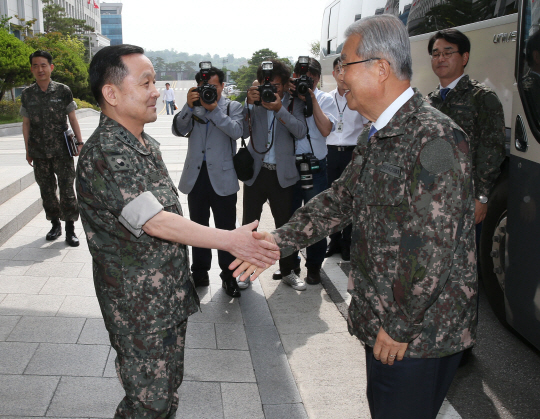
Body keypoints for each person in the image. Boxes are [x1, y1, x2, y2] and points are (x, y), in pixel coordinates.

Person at [232, 15, 477, 419]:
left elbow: (433, 249)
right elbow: (341, 200)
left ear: (380, 68)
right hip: (385, 320)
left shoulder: (435, 137)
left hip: (417, 335)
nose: (337, 76)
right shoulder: (379, 133)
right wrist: (278, 242)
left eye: (344, 64)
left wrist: (399, 325)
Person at [77, 44, 279, 418]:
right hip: (137, 308)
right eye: (147, 82)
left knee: (166, 394)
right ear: (112, 93)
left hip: (165, 297)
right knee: (148, 403)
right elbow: (153, 220)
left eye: (155, 81)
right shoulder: (107, 152)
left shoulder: (141, 143)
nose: (157, 91)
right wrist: (230, 239)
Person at [172, 65, 244, 297]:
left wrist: (213, 110)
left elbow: (237, 131)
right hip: (196, 177)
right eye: (204, 86)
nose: (208, 90)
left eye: (213, 86)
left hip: (223, 177)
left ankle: (229, 275)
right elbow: (178, 129)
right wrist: (188, 105)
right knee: (197, 228)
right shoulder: (193, 107)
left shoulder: (233, 107)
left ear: (223, 86)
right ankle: (200, 272)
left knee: (226, 230)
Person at [426, 29, 506, 228]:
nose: (440, 58)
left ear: (464, 57)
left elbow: (492, 151)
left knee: (466, 257)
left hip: (466, 198)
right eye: (436, 54)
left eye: (448, 52)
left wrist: (482, 197)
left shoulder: (482, 98)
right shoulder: (429, 101)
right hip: (431, 196)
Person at [242, 59, 308, 291]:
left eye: (277, 85)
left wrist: (279, 108)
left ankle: (289, 271)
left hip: (282, 174)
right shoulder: (255, 101)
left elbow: (301, 131)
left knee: (285, 226)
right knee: (249, 227)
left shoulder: (292, 103)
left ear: (285, 84)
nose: (272, 89)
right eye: (267, 84)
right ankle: (244, 271)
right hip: (257, 174)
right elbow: (240, 130)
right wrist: (248, 104)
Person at [281, 57, 338, 285]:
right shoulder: (287, 99)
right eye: (301, 76)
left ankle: (313, 267)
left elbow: (325, 130)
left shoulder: (325, 99)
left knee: (316, 218)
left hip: (315, 164)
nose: (306, 81)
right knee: (290, 219)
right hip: (290, 166)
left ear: (316, 79)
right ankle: (290, 266)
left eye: (311, 77)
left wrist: (311, 99)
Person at [20, 50, 83, 247]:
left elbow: (72, 118)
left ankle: (70, 229)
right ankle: (55, 224)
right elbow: (26, 124)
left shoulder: (63, 90)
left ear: (51, 67)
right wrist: (28, 150)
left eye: (43, 65)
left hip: (62, 151)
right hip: (39, 151)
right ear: (31, 69)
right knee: (47, 191)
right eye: (36, 66)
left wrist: (79, 142)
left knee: (67, 190)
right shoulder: (27, 94)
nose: (40, 69)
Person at [324, 56, 368, 262]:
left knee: (351, 199)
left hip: (352, 152)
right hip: (330, 153)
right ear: (333, 73)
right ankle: (333, 240)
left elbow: (368, 126)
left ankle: (347, 242)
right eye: (338, 70)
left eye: (345, 69)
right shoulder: (326, 99)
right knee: (333, 198)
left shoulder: (359, 96)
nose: (342, 74)